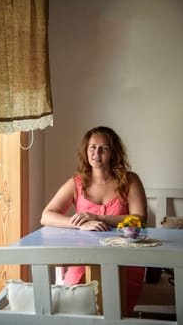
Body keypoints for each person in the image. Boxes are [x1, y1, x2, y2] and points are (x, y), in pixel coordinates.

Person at [41, 126, 147, 315]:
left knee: (116, 312)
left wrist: (99, 217)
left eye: (103, 148)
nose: (96, 153)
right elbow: (46, 215)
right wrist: (80, 224)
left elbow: (139, 219)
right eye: (92, 147)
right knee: (75, 308)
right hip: (84, 258)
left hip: (124, 259)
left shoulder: (130, 181)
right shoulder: (77, 183)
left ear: (113, 152)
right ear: (86, 150)